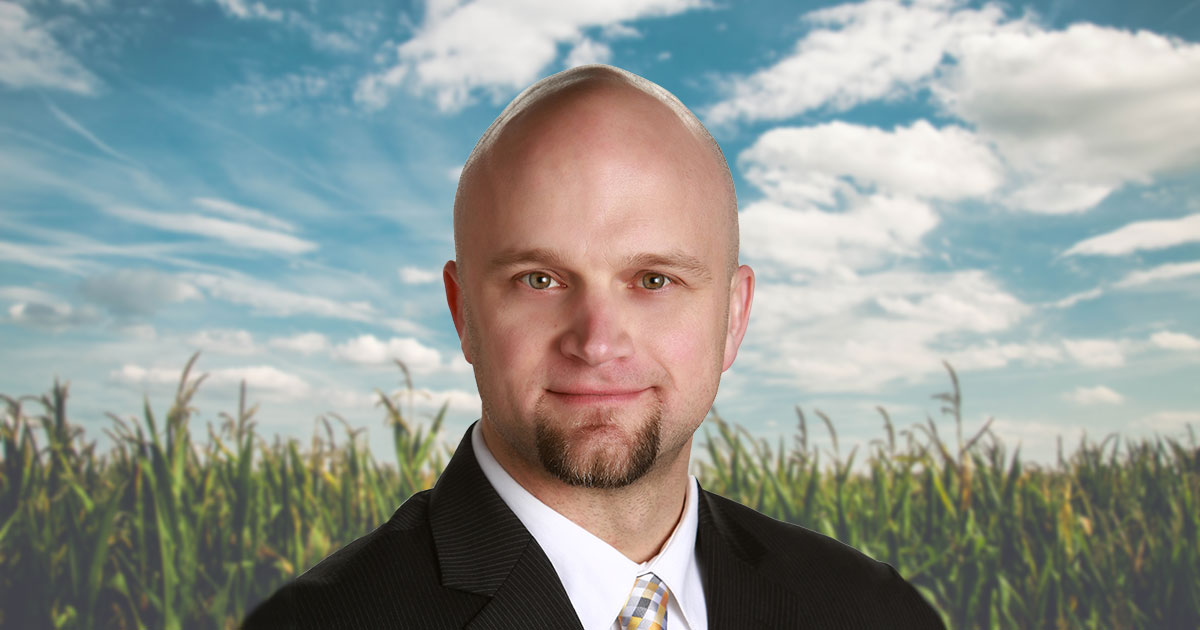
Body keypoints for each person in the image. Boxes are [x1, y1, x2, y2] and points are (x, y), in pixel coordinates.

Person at [243, 64, 944, 630]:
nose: (597, 341)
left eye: (653, 279)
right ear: (464, 315)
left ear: (733, 317)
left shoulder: (874, 611)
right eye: (540, 279)